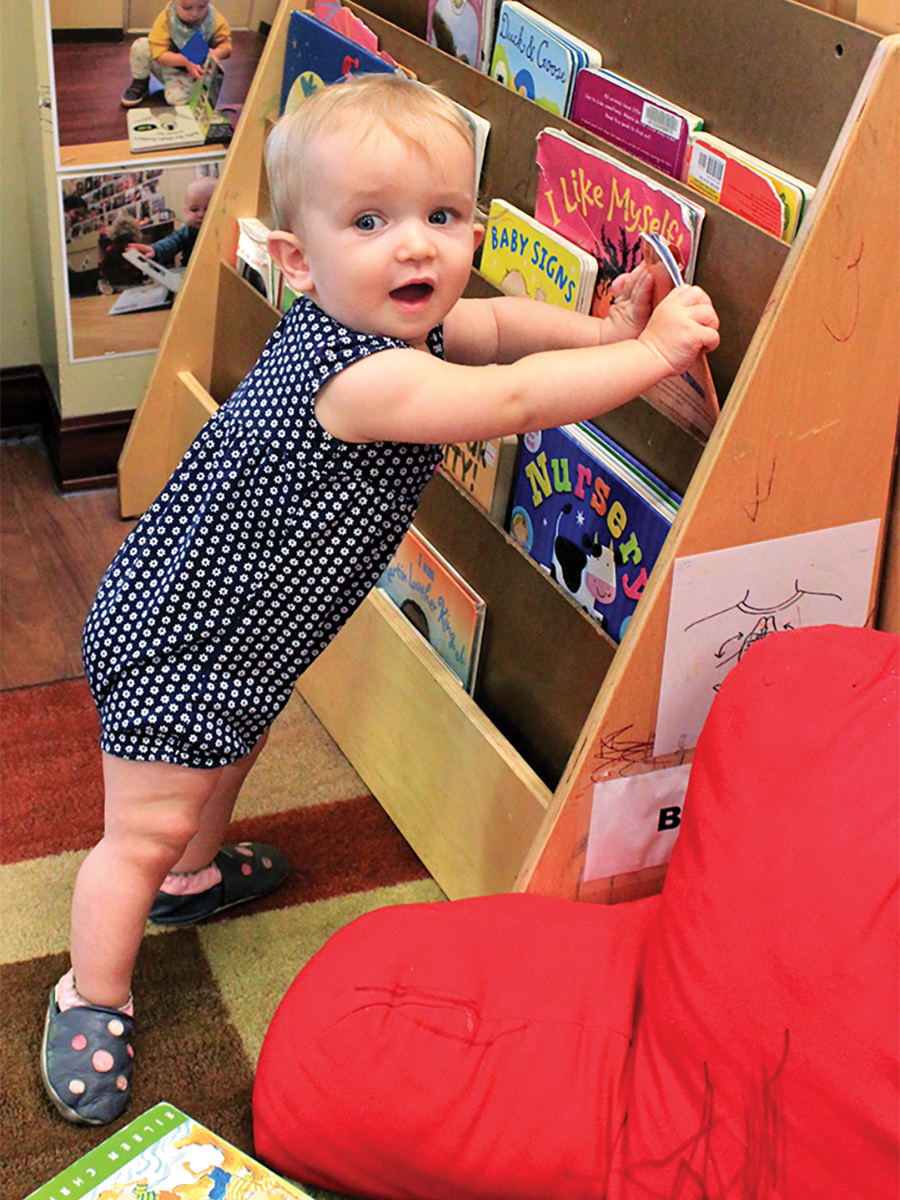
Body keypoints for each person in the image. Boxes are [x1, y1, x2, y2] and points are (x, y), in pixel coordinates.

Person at [40, 72, 719, 1129]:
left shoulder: (388, 328)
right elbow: (506, 398)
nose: (418, 247)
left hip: (244, 637)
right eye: (373, 221)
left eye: (443, 217)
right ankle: (92, 991)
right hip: (180, 635)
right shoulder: (364, 380)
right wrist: (648, 357)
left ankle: (192, 878)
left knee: (225, 763)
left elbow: (494, 337)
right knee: (142, 825)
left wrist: (594, 333)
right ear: (302, 259)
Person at [121, 0, 232, 109]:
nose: (194, 13)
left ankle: (191, 87)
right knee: (141, 45)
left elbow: (226, 44)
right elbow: (158, 54)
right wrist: (185, 61)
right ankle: (140, 83)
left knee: (175, 99)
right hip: (167, 63)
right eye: (186, 7)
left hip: (190, 73)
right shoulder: (167, 18)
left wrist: (217, 53)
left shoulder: (214, 19)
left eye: (202, 6)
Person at [127, 175, 217, 269]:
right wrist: (155, 249)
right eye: (194, 210)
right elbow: (171, 242)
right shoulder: (187, 231)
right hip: (192, 274)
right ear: (185, 211)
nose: (201, 214)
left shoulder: (225, 228)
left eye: (208, 208)